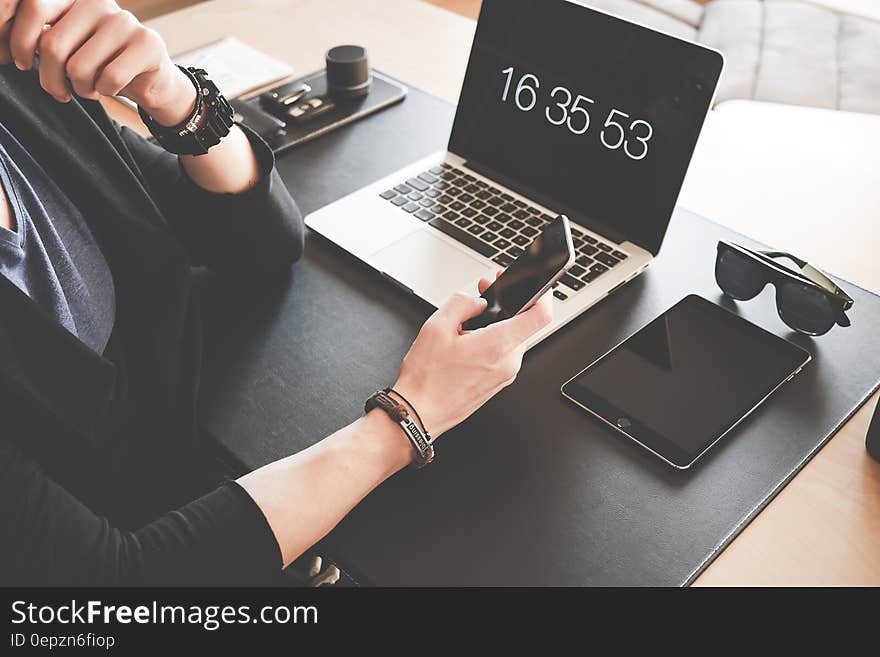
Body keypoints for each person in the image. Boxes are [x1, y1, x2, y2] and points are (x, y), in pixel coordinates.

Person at [0, 0, 552, 585]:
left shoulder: (25, 91)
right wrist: (411, 415)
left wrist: (174, 96)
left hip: (190, 464)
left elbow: (259, 244)